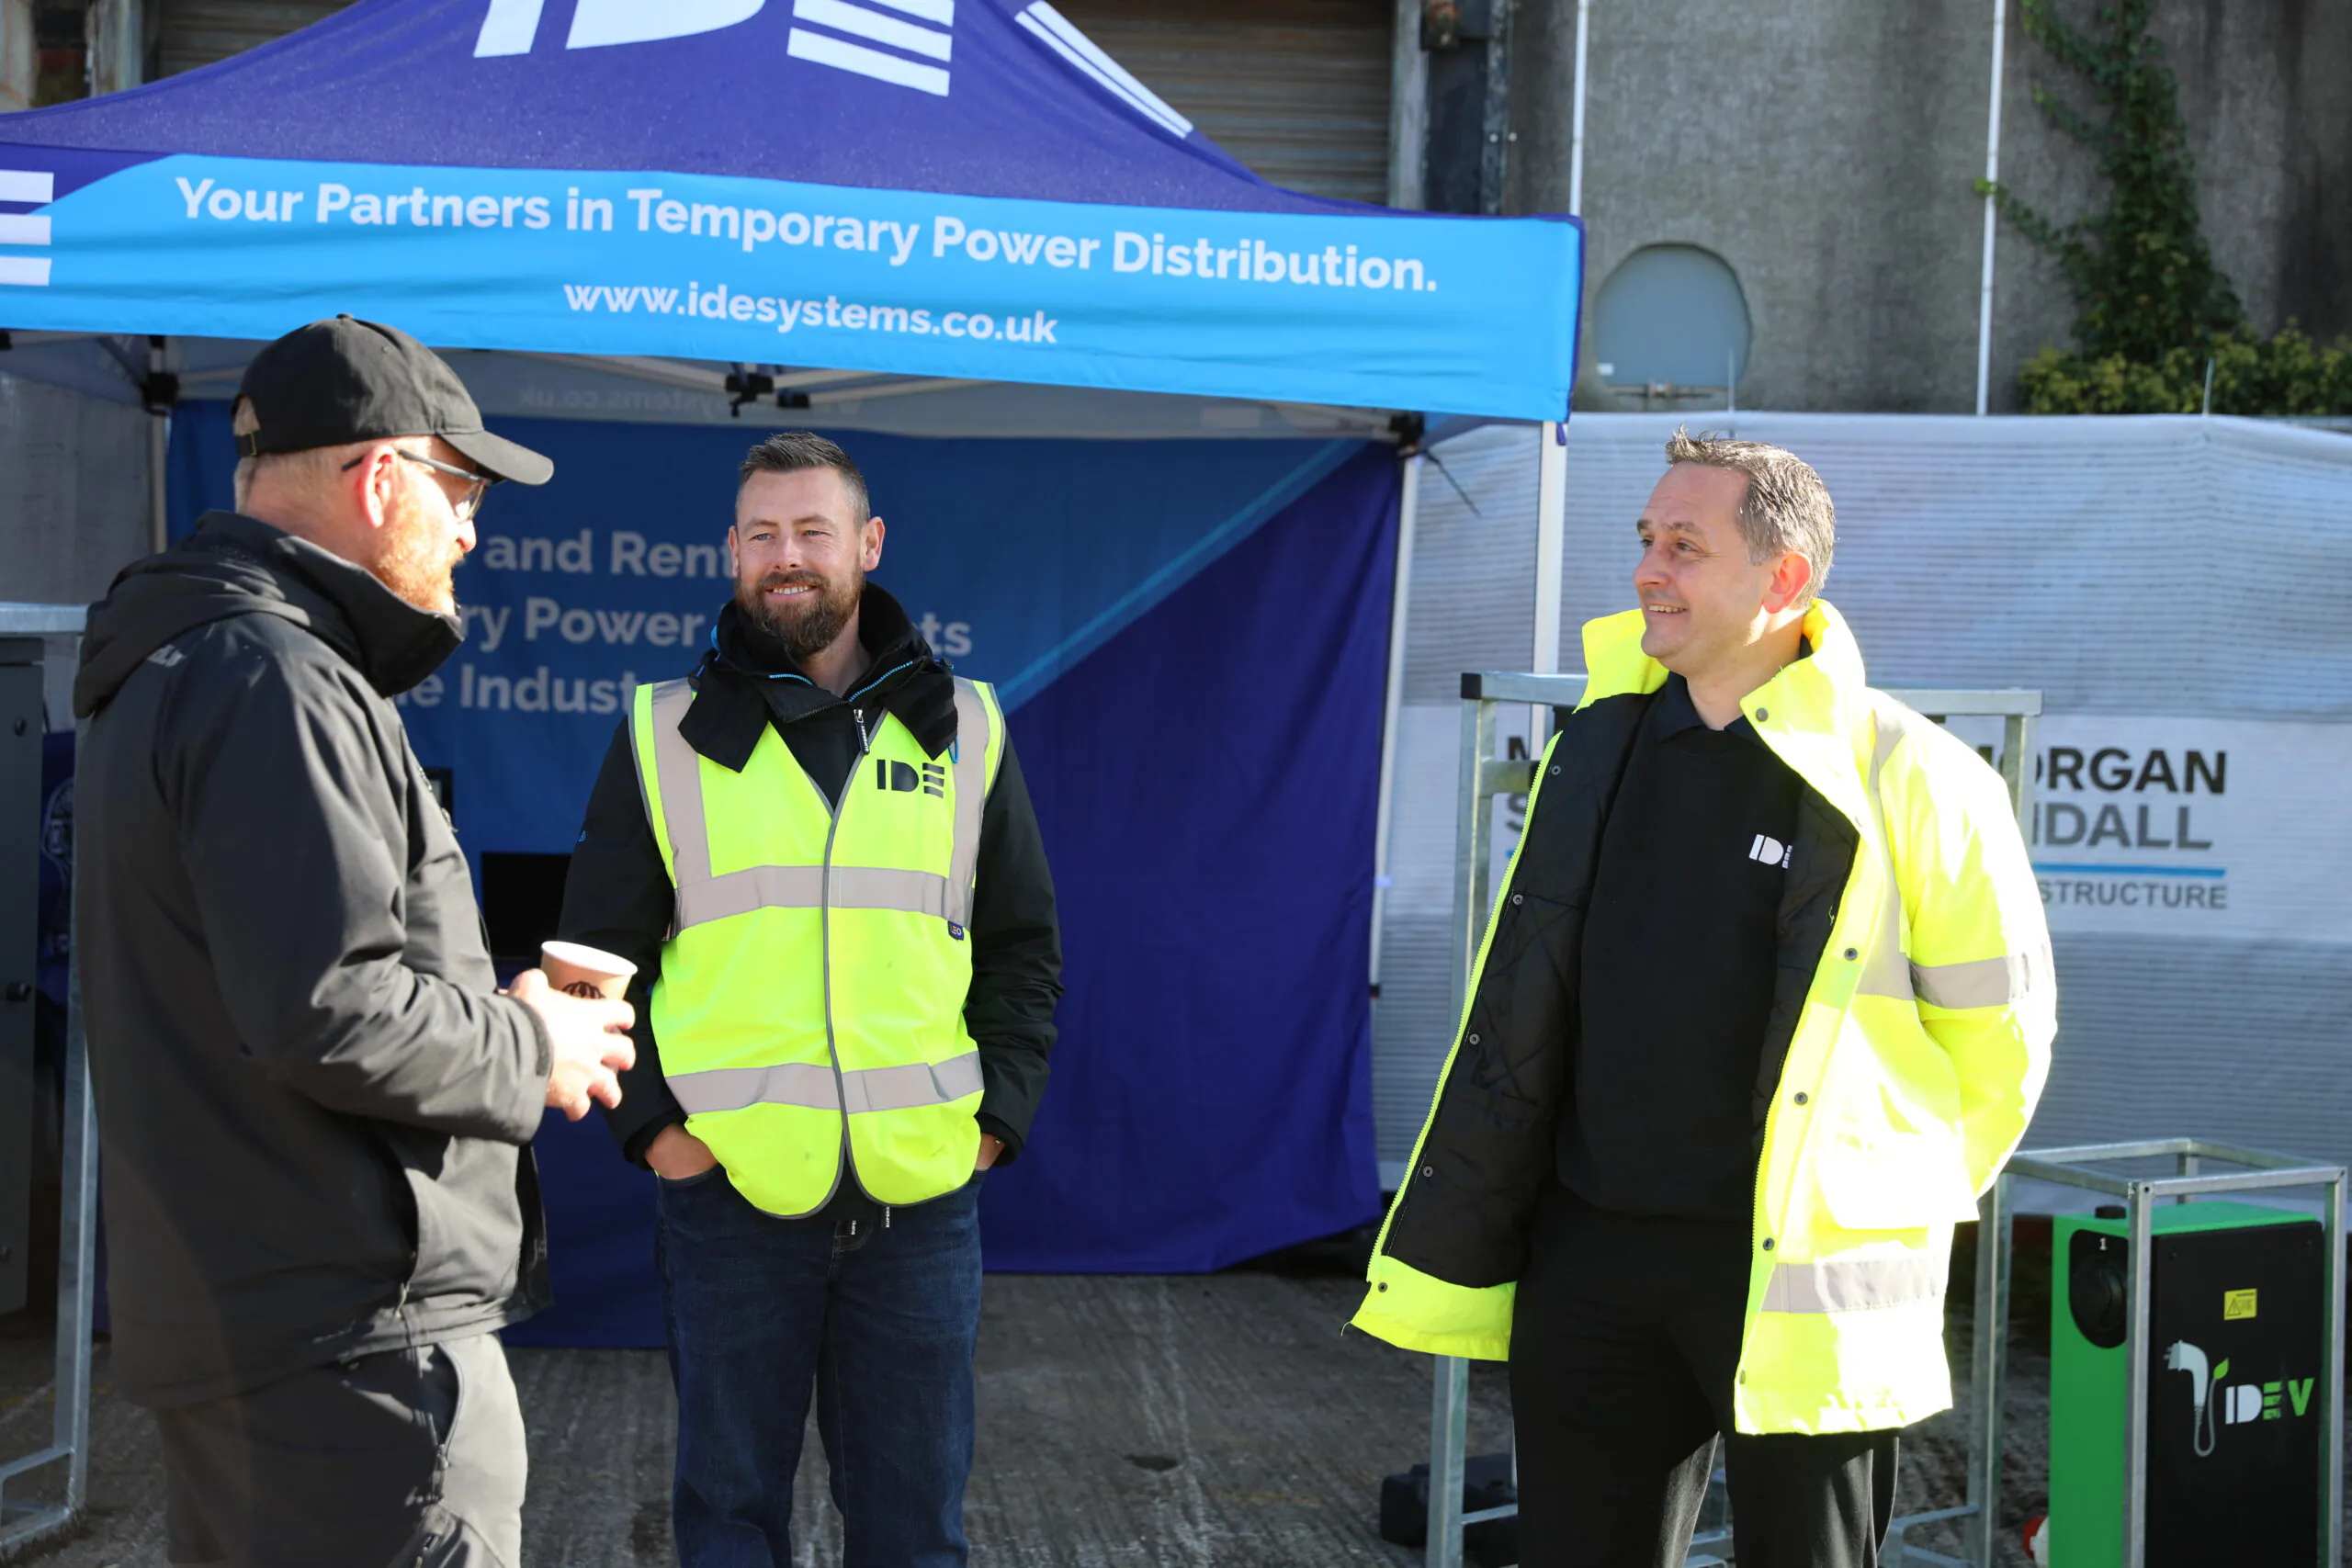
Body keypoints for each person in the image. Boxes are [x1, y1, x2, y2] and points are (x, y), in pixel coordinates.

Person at [1352, 430, 2054, 1568]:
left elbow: (2002, 1045)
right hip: (1589, 1260)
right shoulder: (1596, 747)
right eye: (1644, 540)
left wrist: (1882, 1198)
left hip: (1802, 1279)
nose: (1646, 570)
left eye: (1684, 545)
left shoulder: (1915, 777)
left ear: (1784, 581)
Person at [72, 315, 639, 1568]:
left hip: (262, 1331)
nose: (473, 532)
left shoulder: (182, 658)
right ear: (384, 479)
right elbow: (327, 1006)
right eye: (462, 492)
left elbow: (282, 984)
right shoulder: (274, 677)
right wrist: (524, 1037)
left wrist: (486, 1010)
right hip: (353, 1355)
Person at [559, 431, 1062, 1566]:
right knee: (729, 1519)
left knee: (913, 1531)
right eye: (765, 535)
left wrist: (995, 1125)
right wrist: (659, 1139)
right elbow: (592, 960)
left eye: (814, 532)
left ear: (866, 545)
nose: (789, 556)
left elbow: (1023, 946)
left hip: (921, 1202)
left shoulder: (967, 727)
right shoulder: (662, 733)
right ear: (732, 552)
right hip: (729, 1202)